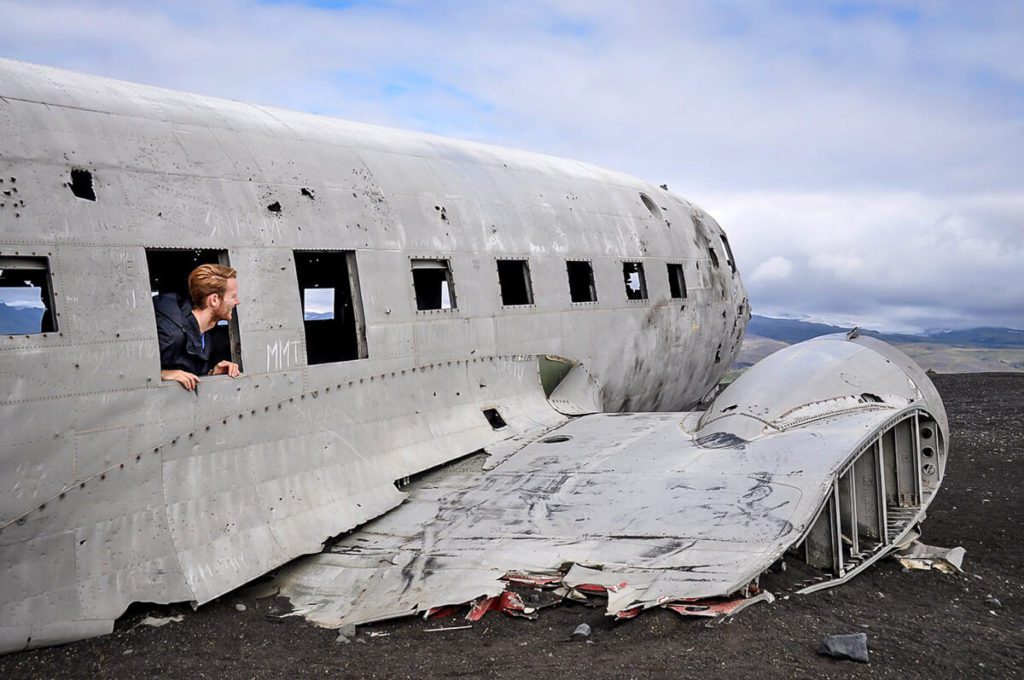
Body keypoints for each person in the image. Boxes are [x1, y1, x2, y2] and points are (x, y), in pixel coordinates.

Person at [154, 264, 241, 390]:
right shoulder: (170, 333)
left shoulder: (206, 331)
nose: (237, 302)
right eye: (233, 296)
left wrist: (211, 374)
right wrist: (162, 374)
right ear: (214, 300)